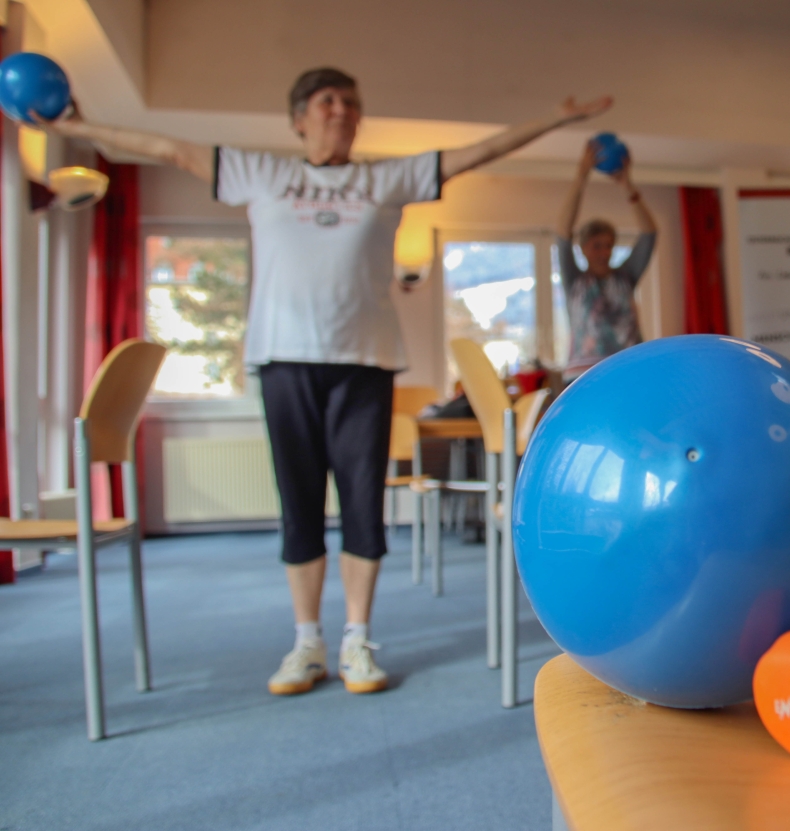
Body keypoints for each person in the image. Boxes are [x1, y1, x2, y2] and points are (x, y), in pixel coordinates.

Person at [42, 68, 613, 694]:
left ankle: (357, 641)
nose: (341, 110)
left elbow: (476, 154)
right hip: (284, 362)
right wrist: (75, 126)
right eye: (327, 101)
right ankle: (306, 641)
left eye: (351, 103)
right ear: (299, 118)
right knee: (300, 506)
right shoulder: (260, 174)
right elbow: (166, 147)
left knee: (363, 505)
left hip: (363, 364)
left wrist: (556, 117)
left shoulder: (383, 179)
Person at [555, 139, 657, 381]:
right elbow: (562, 232)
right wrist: (581, 176)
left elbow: (649, 233)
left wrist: (627, 185)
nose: (604, 252)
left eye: (609, 245)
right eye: (596, 246)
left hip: (629, 371)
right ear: (583, 249)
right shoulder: (575, 281)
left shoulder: (626, 277)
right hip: (583, 377)